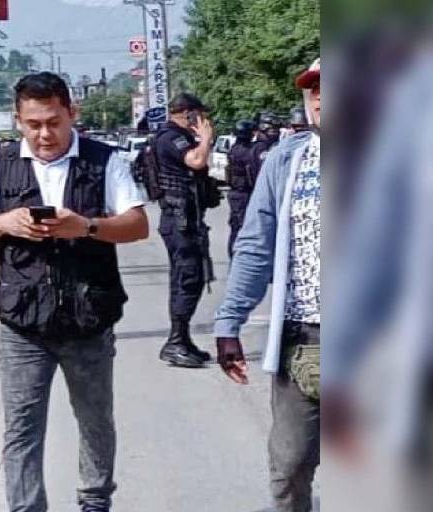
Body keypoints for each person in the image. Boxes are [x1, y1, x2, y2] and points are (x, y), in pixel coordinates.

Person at [0, 72, 148, 512]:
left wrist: (87, 226)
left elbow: (138, 224)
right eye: (33, 124)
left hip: (88, 317)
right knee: (22, 428)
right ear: (18, 121)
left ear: (71, 114)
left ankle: (95, 501)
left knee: (95, 420)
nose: (44, 134)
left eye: (53, 122)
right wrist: (3, 223)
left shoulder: (103, 161)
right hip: (23, 324)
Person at [214, 57, 321, 512]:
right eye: (314, 90)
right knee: (290, 465)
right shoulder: (286, 160)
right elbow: (256, 245)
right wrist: (229, 323)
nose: (322, 98)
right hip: (305, 341)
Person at [153, 93, 215, 368]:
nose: (204, 120)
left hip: (187, 219)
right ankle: (175, 342)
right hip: (179, 220)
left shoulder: (177, 136)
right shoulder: (171, 137)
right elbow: (196, 161)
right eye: (200, 115)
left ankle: (183, 338)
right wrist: (206, 138)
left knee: (192, 277)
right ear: (189, 114)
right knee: (187, 278)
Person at [225, 119, 256, 258]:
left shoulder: (235, 148)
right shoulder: (244, 150)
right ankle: (237, 255)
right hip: (242, 193)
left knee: (236, 226)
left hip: (237, 193)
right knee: (241, 227)